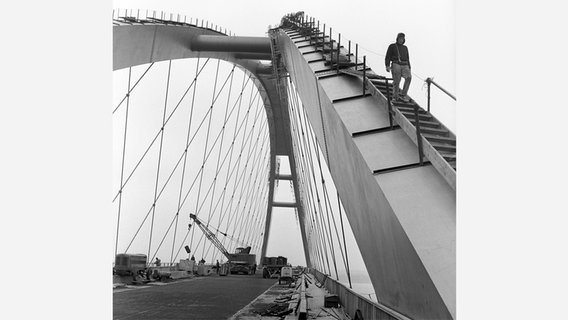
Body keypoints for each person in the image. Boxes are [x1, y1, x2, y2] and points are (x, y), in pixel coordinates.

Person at [385, 32, 412, 102]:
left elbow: (408, 58)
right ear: (397, 39)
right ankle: (395, 97)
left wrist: (409, 67)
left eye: (402, 39)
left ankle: (403, 95)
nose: (401, 40)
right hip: (396, 63)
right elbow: (387, 56)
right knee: (397, 80)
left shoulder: (405, 48)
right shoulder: (392, 46)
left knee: (409, 77)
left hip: (405, 64)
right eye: (400, 38)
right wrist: (387, 65)